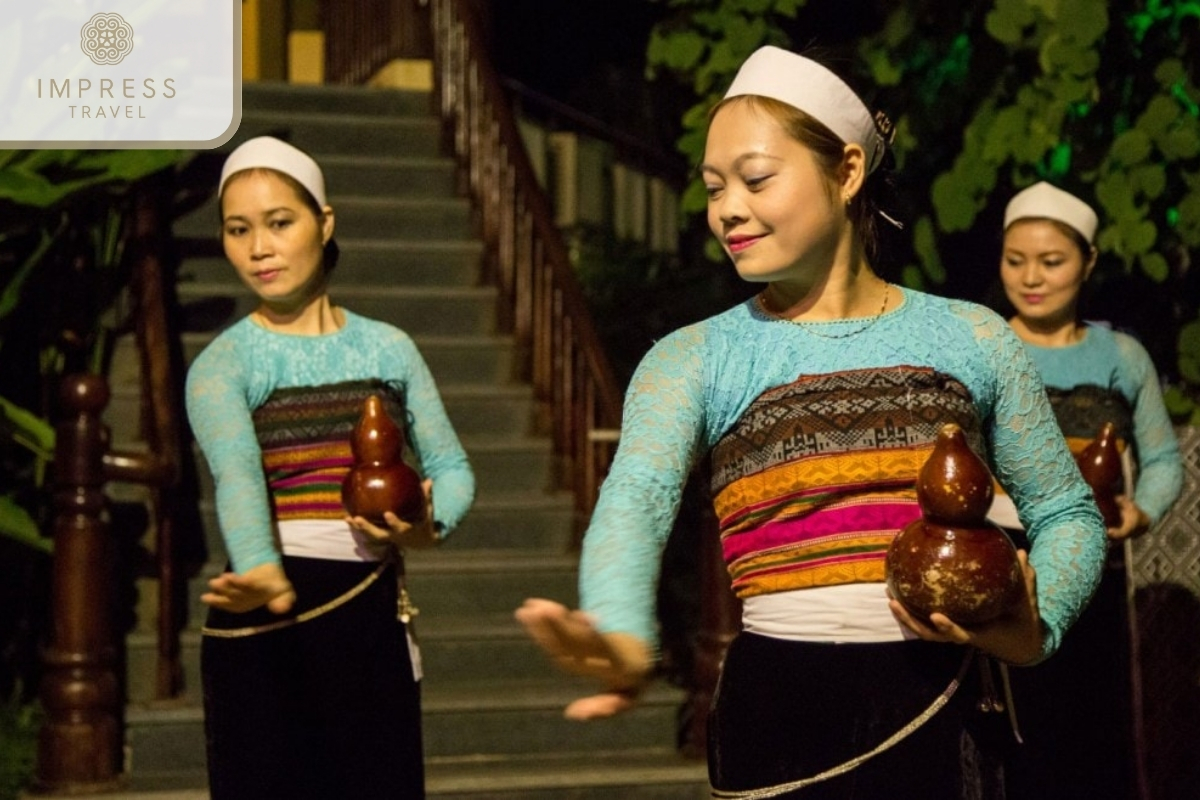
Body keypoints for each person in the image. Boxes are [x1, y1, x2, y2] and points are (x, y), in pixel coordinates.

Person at [515, 46, 1107, 799]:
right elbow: (634, 500)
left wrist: (1037, 623)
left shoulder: (973, 337)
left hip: (945, 704)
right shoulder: (695, 358)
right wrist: (620, 629)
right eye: (713, 187)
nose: (728, 206)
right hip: (780, 710)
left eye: (756, 179)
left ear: (848, 171)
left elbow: (1065, 512)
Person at [185, 136, 475, 799]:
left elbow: (454, 469)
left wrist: (422, 525)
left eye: (279, 222)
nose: (259, 247)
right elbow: (237, 476)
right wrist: (261, 568)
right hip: (261, 613)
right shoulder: (224, 365)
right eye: (238, 230)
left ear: (325, 222)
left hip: (366, 608)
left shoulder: (388, 348)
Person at [992, 181, 1183, 800]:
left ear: (1089, 262)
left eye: (1052, 262)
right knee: (1014, 730)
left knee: (1092, 730)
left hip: (1095, 562)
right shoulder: (984, 345)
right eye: (1015, 260)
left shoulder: (1119, 355)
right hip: (1005, 561)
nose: (1031, 277)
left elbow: (1161, 459)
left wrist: (1142, 511)